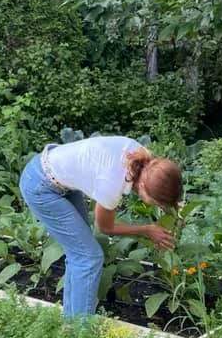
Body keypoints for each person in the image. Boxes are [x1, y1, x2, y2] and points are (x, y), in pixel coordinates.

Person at [18, 135, 183, 319]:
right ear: (143, 185)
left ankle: (70, 328)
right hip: (41, 186)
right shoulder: (112, 183)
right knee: (89, 257)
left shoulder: (140, 157)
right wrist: (147, 230)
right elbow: (105, 227)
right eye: (154, 201)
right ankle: (82, 336)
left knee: (79, 254)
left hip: (57, 178)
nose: (154, 206)